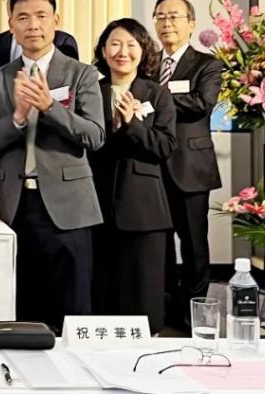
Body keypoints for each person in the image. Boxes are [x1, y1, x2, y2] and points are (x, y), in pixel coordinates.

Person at [0, 0, 104, 332]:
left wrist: (49, 107)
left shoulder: (81, 73)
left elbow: (95, 135)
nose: (32, 25)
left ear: (56, 21)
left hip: (68, 205)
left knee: (72, 308)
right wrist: (17, 117)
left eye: (41, 16)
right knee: (21, 304)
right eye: (22, 18)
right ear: (11, 26)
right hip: (15, 205)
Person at [88, 18, 178, 334]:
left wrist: (133, 125)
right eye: (114, 44)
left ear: (143, 50)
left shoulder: (157, 94)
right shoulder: (91, 91)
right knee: (101, 284)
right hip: (96, 201)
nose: (122, 52)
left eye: (131, 44)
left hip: (144, 207)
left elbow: (165, 147)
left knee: (144, 287)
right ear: (103, 50)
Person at [152, 0, 223, 330]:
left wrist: (157, 98)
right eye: (160, 16)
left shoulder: (206, 64)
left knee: (194, 243)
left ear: (191, 24)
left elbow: (201, 103)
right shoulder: (147, 63)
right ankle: (163, 307)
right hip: (152, 166)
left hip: (190, 166)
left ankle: (193, 313)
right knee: (160, 243)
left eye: (174, 16)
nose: (166, 23)